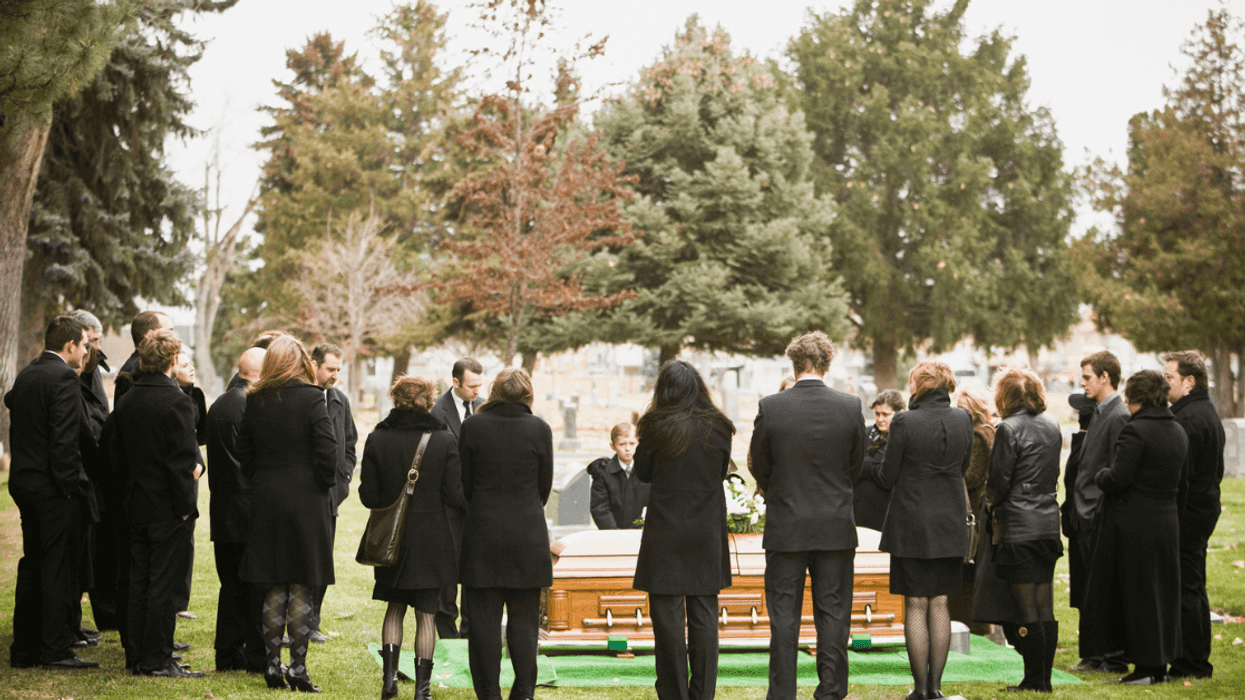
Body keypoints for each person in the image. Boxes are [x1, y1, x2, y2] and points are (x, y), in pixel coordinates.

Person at [750, 332, 864, 700]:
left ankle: (782, 693)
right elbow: (855, 465)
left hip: (787, 523)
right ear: (827, 364)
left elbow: (760, 465)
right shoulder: (849, 406)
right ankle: (831, 690)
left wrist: (779, 489)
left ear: (794, 364)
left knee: (784, 615)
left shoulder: (772, 406)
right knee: (833, 613)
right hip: (834, 523)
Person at [237, 336, 338, 692]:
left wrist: (262, 481)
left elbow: (244, 455)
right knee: (301, 583)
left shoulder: (255, 399)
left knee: (275, 582)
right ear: (300, 363)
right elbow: (328, 451)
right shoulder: (312, 397)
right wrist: (321, 485)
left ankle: (271, 664)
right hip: (306, 500)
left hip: (266, 499)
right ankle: (297, 668)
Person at [868, 360, 972, 700]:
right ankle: (937, 687)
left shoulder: (905, 421)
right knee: (940, 601)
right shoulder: (963, 419)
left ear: (919, 385)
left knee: (915, 603)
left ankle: (919, 687)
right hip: (950, 520)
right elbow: (964, 467)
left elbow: (887, 476)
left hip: (912, 521)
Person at [360, 376, 466, 700]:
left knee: (393, 609)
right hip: (432, 537)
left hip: (392, 538)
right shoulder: (445, 439)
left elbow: (368, 496)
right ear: (430, 401)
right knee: (426, 615)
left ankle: (389, 681)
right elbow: (454, 495)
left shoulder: (377, 438)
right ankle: (422, 691)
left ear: (396, 400)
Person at [105, 328, 204, 678]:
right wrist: (183, 505)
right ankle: (157, 659)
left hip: (134, 503)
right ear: (173, 359)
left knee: (138, 581)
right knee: (163, 585)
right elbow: (181, 462)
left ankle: (136, 654)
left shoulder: (128, 399)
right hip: (166, 507)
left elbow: (114, 455)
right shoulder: (177, 401)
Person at [634, 360, 735, 700]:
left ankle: (674, 693)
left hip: (666, 528)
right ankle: (702, 693)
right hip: (705, 528)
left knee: (668, 620)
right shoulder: (720, 426)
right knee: (705, 615)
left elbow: (643, 472)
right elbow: (720, 471)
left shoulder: (656, 425)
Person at [1081, 370, 1187, 685]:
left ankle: (1146, 669)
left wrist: (1100, 475)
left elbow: (1117, 478)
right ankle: (1160, 666)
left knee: (1139, 595)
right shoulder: (1177, 430)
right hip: (1166, 520)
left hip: (1134, 524)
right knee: (1161, 596)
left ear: (1136, 396)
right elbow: (1184, 483)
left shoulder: (1135, 431)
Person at [6, 315, 97, 670]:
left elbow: (14, 400)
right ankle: (56, 648)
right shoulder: (62, 377)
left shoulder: (28, 373)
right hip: (53, 489)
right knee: (58, 568)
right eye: (84, 346)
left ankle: (25, 648)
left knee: (33, 564)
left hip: (24, 483)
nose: (87, 352)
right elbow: (64, 440)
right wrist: (69, 488)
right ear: (70, 345)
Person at [458, 368, 552, 700]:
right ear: (528, 394)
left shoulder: (472, 426)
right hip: (527, 533)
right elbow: (545, 487)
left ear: (495, 392)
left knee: (482, 625)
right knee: (525, 622)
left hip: (482, 532)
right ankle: (523, 692)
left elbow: (465, 483)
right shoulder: (539, 428)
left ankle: (488, 694)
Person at [972, 368, 1063, 693]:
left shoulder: (1008, 429)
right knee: (1044, 605)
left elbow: (998, 482)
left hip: (1017, 527)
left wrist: (992, 506)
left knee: (1025, 608)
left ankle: (1034, 679)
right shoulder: (1052, 424)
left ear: (1005, 396)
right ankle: (1044, 678)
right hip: (1047, 523)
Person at [1162, 351, 1224, 679]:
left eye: (1169, 378)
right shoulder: (1203, 411)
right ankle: (1194, 659)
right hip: (1202, 509)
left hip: (1189, 513)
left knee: (1187, 587)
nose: (1164, 383)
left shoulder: (1188, 418)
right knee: (1192, 585)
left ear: (1189, 381)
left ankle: (1192, 661)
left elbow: (1181, 477)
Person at [206, 346, 267, 672]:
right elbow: (249, 465)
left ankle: (228, 652)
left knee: (230, 587)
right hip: (245, 512)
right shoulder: (246, 408)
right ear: (256, 374)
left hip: (225, 509)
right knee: (252, 588)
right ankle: (253, 654)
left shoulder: (222, 403)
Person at [1070, 351, 1130, 673]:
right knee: (1090, 591)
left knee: (1105, 589)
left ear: (1105, 377)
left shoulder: (1118, 415)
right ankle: (1095, 655)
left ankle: (1112, 656)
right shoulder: (1099, 411)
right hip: (1086, 513)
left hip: (1098, 513)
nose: (1082, 383)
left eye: (1088, 377)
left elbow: (1115, 470)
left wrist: (1093, 509)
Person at [430, 357, 484, 640]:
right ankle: (448, 637)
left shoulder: (484, 407)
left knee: (474, 571)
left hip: (477, 506)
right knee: (448, 575)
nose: (477, 390)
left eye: (480, 384)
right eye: (472, 386)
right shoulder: (438, 411)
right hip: (447, 507)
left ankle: (470, 633)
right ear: (455, 382)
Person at [309, 343, 358, 644]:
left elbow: (349, 444)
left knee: (323, 561)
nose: (335, 376)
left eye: (339, 370)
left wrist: (344, 479)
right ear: (314, 365)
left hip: (331, 497)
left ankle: (313, 621)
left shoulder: (340, 400)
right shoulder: (303, 397)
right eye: (331, 369)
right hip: (304, 494)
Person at [70, 309, 115, 635]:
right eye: (90, 341)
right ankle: (71, 620)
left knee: (96, 549)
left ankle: (99, 615)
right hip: (81, 473)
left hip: (97, 471)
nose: (93, 349)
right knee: (79, 551)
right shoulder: (70, 374)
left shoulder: (92, 369)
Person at [947, 384, 994, 637]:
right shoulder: (987, 431)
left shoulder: (977, 436)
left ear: (977, 410)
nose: (961, 413)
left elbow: (971, 476)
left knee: (965, 573)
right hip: (978, 511)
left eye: (965, 409)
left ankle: (968, 626)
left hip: (971, 511)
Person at [172, 351, 207, 621]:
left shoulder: (196, 396)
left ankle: (181, 601)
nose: (191, 369)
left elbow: (202, 434)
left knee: (188, 537)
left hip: (193, 468)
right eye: (185, 365)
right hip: (179, 471)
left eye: (191, 364)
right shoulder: (173, 399)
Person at [855, 389, 905, 532]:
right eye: (877, 414)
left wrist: (867, 463)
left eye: (885, 414)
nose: (880, 419)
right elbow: (854, 464)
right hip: (861, 508)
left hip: (887, 510)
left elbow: (888, 476)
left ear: (899, 413)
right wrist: (877, 466)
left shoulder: (902, 437)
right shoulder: (866, 433)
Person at [587, 423, 649, 530]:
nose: (628, 448)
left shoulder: (648, 471)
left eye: (632, 443)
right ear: (613, 446)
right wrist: (615, 533)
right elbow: (600, 508)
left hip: (641, 533)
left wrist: (638, 525)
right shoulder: (603, 473)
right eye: (622, 444)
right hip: (613, 535)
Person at [113, 310, 174, 403]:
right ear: (149, 334)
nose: (173, 336)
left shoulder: (133, 367)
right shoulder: (142, 370)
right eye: (169, 331)